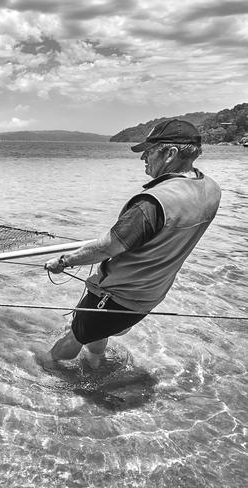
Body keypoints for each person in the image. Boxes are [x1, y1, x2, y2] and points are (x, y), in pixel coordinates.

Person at [42, 119, 221, 368]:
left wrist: (63, 261)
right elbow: (163, 234)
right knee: (97, 333)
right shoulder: (210, 188)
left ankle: (46, 368)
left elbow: (106, 247)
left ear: (171, 153)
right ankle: (95, 365)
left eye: (149, 152)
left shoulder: (152, 203)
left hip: (117, 296)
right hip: (150, 294)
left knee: (76, 335)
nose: (143, 158)